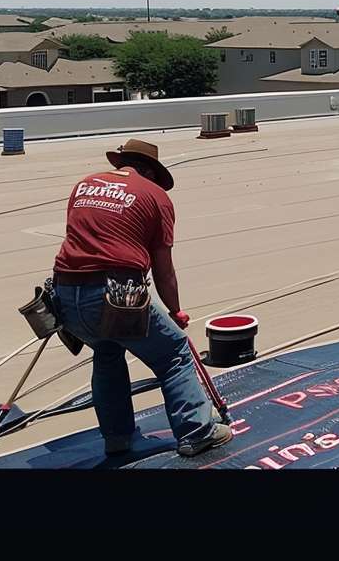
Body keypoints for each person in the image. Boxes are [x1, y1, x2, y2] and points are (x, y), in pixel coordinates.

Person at [52, 138, 232, 458]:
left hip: (65, 292)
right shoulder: (155, 196)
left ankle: (118, 439)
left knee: (107, 353)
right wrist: (176, 311)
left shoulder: (85, 184)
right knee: (173, 353)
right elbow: (163, 268)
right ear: (150, 171)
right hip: (115, 291)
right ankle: (196, 431)